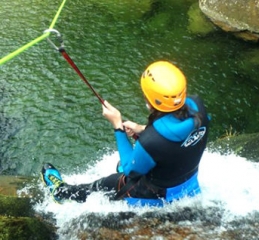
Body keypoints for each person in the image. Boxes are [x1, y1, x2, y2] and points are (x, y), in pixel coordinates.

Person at [41, 61, 210, 206]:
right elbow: (174, 142)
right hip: (188, 182)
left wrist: (117, 126)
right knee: (133, 163)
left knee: (106, 183)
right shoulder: (198, 107)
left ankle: (60, 192)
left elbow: (131, 170)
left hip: (156, 194)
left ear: (150, 100)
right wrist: (139, 128)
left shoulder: (151, 141)